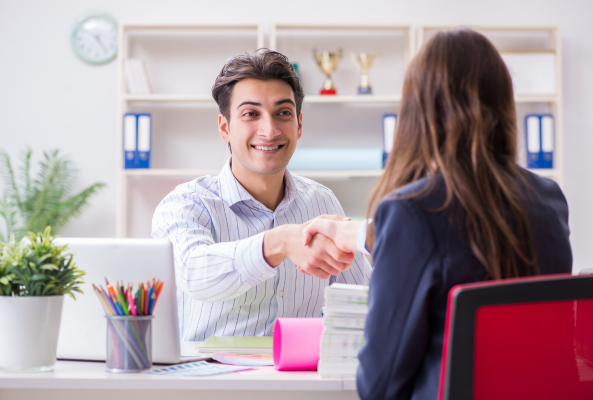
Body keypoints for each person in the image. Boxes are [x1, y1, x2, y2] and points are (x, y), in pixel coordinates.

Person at [302, 29, 572, 400]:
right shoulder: (548, 199)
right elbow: (462, 237)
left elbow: (379, 385)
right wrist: (362, 235)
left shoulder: (411, 210)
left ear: (417, 111)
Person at [152, 49, 371, 341]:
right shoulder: (185, 204)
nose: (269, 130)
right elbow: (195, 273)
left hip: (301, 378)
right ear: (225, 128)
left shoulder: (322, 201)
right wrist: (278, 243)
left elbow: (363, 298)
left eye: (283, 113)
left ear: (299, 124)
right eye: (250, 114)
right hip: (209, 380)